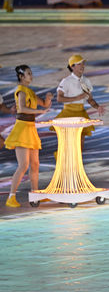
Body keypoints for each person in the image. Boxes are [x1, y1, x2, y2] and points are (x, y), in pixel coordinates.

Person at [4, 65, 53, 207]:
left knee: (35, 164)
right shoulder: (21, 91)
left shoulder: (29, 91)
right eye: (28, 74)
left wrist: (48, 99)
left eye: (31, 73)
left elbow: (44, 104)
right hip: (22, 129)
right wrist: (38, 112)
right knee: (23, 165)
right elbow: (22, 108)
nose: (31, 76)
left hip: (30, 129)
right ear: (21, 76)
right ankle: (11, 197)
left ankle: (35, 194)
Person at [54, 54, 106, 151]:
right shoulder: (66, 81)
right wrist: (77, 97)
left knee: (80, 142)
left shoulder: (86, 81)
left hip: (81, 113)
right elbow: (59, 98)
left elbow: (90, 99)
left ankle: (76, 164)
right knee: (70, 142)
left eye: (83, 63)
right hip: (68, 114)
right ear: (72, 66)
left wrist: (97, 107)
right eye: (79, 64)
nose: (82, 66)